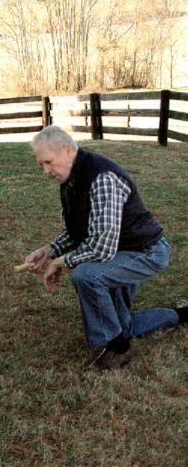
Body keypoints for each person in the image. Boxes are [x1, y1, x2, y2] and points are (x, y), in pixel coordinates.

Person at [25, 125, 187, 370]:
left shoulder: (101, 178)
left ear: (68, 150)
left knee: (86, 275)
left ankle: (118, 347)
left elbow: (102, 249)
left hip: (145, 251)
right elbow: (79, 230)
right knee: (123, 324)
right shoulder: (72, 177)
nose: (46, 170)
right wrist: (50, 250)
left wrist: (64, 261)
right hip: (122, 250)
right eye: (41, 165)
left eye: (48, 162)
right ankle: (181, 315)